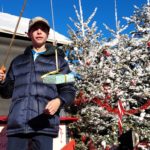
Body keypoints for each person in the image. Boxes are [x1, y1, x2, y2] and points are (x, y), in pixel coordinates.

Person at [0, 16, 76, 150]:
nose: (39, 32)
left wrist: (59, 100)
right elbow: (6, 93)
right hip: (17, 125)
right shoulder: (17, 61)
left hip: (43, 125)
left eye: (43, 29)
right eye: (35, 29)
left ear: (47, 34)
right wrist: (2, 82)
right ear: (29, 34)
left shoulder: (58, 62)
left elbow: (69, 90)